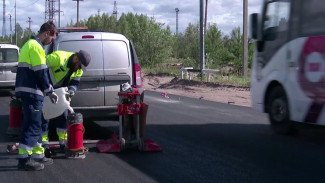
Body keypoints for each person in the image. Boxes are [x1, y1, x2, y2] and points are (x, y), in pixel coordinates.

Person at [15, 21, 58, 171]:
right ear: (47, 33)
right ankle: (24, 160)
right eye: (51, 39)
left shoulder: (29, 45)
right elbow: (41, 72)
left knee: (36, 123)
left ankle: (38, 155)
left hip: (29, 91)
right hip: (32, 92)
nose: (50, 42)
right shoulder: (36, 47)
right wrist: (50, 91)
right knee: (32, 125)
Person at [41, 50, 91, 156]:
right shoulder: (59, 57)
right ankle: (44, 144)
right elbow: (40, 67)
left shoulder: (78, 70)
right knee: (45, 117)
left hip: (60, 93)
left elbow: (75, 83)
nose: (79, 69)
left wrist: (71, 91)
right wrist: (46, 86)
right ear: (76, 59)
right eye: (79, 66)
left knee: (63, 116)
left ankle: (63, 144)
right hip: (46, 90)